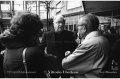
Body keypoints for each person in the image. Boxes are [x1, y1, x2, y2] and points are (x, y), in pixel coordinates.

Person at [0, 11, 58, 78]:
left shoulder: (8, 49)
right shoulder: (33, 52)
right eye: (37, 31)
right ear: (30, 32)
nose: (38, 34)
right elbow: (54, 69)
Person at [62, 14, 110, 78]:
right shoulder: (104, 39)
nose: (77, 29)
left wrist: (69, 56)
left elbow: (66, 64)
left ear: (84, 28)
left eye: (77, 26)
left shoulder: (89, 44)